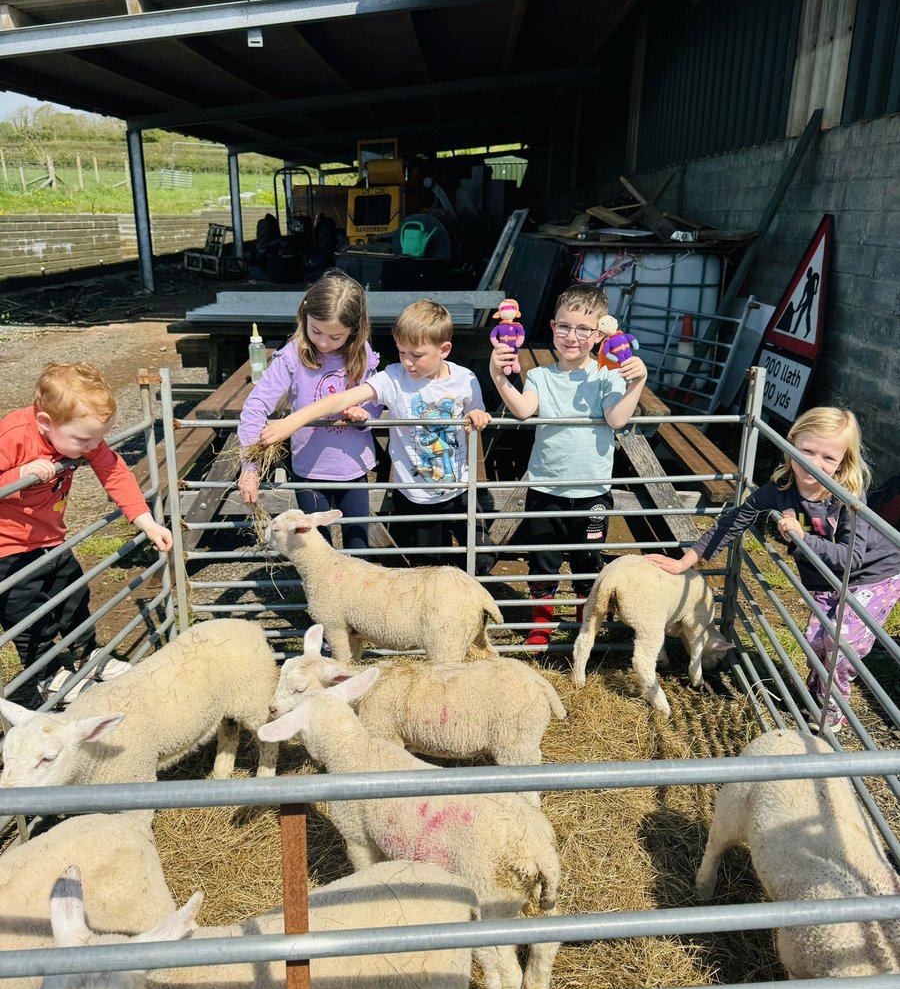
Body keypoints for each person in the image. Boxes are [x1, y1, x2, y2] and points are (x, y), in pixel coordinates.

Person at [646, 406, 900, 731]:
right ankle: (817, 690)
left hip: (872, 575)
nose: (814, 464)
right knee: (814, 640)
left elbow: (850, 559)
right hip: (825, 579)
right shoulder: (781, 489)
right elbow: (734, 520)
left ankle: (830, 711)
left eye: (828, 458)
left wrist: (801, 537)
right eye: (806, 451)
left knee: (842, 644)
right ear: (791, 443)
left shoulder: (846, 496)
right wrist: (686, 560)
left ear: (843, 462)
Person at [259, 299, 492, 567]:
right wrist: (293, 421)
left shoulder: (466, 379)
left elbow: (477, 412)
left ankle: (467, 601)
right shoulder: (392, 379)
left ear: (444, 350)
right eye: (402, 352)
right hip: (415, 493)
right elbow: (341, 400)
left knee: (481, 557)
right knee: (427, 565)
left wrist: (478, 416)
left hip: (459, 489)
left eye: (416, 355)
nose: (407, 362)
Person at [0, 362, 173, 706]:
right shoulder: (13, 436)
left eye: (97, 438)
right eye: (84, 440)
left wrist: (147, 522)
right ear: (45, 423)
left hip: (51, 539)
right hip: (7, 549)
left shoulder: (78, 435)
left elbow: (114, 473)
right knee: (27, 614)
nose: (92, 446)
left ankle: (87, 655)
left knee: (74, 598)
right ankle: (46, 675)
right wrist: (19, 473)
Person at [489, 284, 648, 647]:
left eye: (582, 330)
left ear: (599, 335)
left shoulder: (607, 377)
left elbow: (617, 418)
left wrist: (638, 382)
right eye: (564, 327)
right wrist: (499, 376)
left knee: (587, 564)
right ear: (551, 326)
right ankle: (541, 625)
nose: (571, 337)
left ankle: (584, 625)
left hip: (592, 490)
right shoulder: (539, 377)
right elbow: (523, 409)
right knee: (542, 563)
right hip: (546, 489)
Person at [238, 269, 381, 553]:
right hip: (309, 469)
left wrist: (364, 417)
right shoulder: (292, 356)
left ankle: (354, 598)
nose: (324, 343)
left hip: (353, 468)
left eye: (336, 336)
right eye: (316, 331)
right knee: (316, 550)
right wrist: (249, 467)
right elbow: (255, 406)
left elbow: (376, 405)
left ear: (355, 328)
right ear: (305, 313)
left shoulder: (362, 354)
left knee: (358, 545)